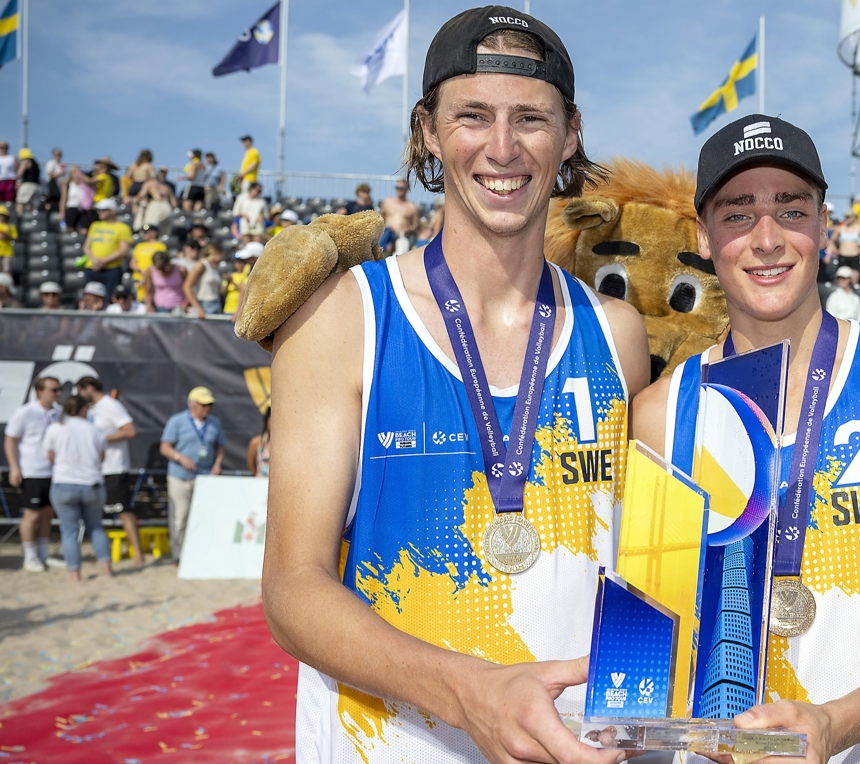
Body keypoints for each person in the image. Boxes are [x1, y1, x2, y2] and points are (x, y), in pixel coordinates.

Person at [263, 9, 649, 762]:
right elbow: (292, 592)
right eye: (473, 116)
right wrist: (469, 691)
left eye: (530, 119)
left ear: (569, 135)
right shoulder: (343, 316)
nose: (502, 149)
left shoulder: (616, 332)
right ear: (428, 132)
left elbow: (628, 566)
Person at [633, 112, 860, 761]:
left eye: (790, 210)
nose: (766, 239)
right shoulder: (661, 412)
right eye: (738, 213)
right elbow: (653, 635)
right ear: (704, 236)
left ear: (824, 223)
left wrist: (835, 723)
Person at [76, 377, 143, 567]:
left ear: (89, 388)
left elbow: (129, 431)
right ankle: (103, 555)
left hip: (113, 467)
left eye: (80, 391)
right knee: (96, 515)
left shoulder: (111, 405)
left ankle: (138, 555)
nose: (79, 396)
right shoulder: (91, 409)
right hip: (94, 470)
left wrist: (101, 439)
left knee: (122, 511)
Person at [43, 395, 111, 581]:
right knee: (96, 527)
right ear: (83, 409)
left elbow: (51, 456)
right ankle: (107, 570)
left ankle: (75, 574)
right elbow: (102, 457)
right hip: (92, 483)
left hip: (64, 483)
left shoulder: (56, 429)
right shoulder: (95, 430)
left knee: (69, 531)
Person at [160, 387, 226, 562]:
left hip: (204, 478)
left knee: (204, 518)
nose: (207, 408)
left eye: (209, 405)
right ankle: (178, 556)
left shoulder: (214, 423)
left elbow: (220, 447)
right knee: (179, 517)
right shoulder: (177, 421)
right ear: (192, 404)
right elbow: (165, 447)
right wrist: (180, 457)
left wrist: (218, 463)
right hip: (179, 476)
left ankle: (199, 554)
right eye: (203, 405)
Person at [4, 377, 63, 572]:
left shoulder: (59, 413)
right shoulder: (25, 412)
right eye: (53, 390)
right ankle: (29, 556)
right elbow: (10, 440)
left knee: (47, 513)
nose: (57, 393)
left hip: (54, 471)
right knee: (32, 514)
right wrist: (14, 467)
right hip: (32, 471)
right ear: (39, 391)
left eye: (59, 389)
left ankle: (44, 554)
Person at [83, 198, 132, 293]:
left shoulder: (123, 228)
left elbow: (123, 251)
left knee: (109, 298)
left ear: (112, 211)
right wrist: (94, 260)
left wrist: (104, 261)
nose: (99, 212)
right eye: (98, 210)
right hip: (92, 267)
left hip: (111, 269)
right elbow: (86, 246)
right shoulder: (95, 225)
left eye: (102, 210)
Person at [184, 242, 226, 317]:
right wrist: (197, 307)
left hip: (216, 303)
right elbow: (187, 286)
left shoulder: (216, 268)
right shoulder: (200, 265)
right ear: (216, 253)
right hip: (203, 304)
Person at [379, 179, 420, 254]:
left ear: (407, 189)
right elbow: (380, 220)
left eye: (401, 188)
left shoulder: (412, 207)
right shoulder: (387, 202)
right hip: (387, 235)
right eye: (397, 187)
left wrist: (409, 229)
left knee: (400, 256)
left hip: (402, 237)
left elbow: (416, 225)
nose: (399, 190)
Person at [223, 240, 263, 315]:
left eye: (249, 257)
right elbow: (244, 289)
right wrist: (238, 309)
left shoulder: (262, 271)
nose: (246, 260)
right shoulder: (250, 269)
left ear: (255, 257)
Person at [130, 224, 167, 301]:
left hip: (152, 278)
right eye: (143, 232)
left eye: (146, 232)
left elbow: (160, 262)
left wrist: (147, 274)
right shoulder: (139, 246)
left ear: (154, 233)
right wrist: (141, 271)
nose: (144, 234)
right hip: (138, 278)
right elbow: (132, 263)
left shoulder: (160, 246)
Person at [60, 166, 96, 232]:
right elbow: (63, 200)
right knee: (71, 229)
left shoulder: (84, 185)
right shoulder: (68, 185)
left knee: (84, 229)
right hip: (72, 208)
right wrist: (62, 212)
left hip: (83, 209)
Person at [15, 147, 40, 218]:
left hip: (27, 185)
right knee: (34, 208)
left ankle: (19, 220)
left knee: (20, 204)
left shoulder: (25, 161)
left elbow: (19, 174)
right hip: (37, 186)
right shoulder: (36, 163)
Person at [180, 149, 207, 214]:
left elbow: (192, 176)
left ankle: (188, 220)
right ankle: (195, 221)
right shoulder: (203, 165)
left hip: (192, 187)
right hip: (201, 188)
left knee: (186, 205)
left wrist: (183, 177)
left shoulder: (194, 164)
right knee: (197, 209)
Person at [247, 409, 271, 477]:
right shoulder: (256, 442)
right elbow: (251, 465)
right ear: (266, 421)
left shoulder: (286, 445)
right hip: (260, 483)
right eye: (271, 419)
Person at [43, 148, 65, 215]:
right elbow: (50, 174)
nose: (58, 156)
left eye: (59, 155)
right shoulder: (51, 163)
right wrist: (59, 174)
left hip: (59, 186)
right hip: (52, 185)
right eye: (56, 154)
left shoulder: (61, 165)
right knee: (50, 201)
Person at [0, 204, 15, 274]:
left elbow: (15, 237)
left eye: (3, 216)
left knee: (7, 268)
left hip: (7, 250)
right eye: (0, 215)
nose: (1, 217)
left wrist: (7, 236)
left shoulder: (10, 226)